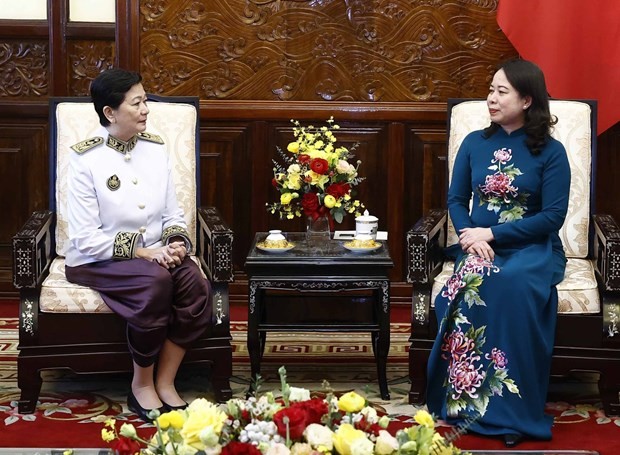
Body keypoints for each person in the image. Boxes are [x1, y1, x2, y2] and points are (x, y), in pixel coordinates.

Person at [425, 59, 570, 447]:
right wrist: (474, 239)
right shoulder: (475, 143)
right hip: (479, 244)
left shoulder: (551, 153)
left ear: (526, 99)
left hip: (532, 248)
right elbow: (456, 200)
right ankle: (466, 404)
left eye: (501, 91)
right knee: (473, 281)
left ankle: (513, 411)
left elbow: (553, 216)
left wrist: (493, 231)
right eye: (490, 90)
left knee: (511, 283)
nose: (490, 98)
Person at [64, 68, 211, 422]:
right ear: (110, 113)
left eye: (146, 100)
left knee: (196, 287)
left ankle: (165, 380)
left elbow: (173, 212)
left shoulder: (155, 150)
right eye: (137, 103)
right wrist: (144, 251)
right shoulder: (86, 159)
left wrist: (175, 243)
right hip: (97, 257)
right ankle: (141, 383)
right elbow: (85, 237)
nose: (146, 109)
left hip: (156, 252)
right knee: (155, 283)